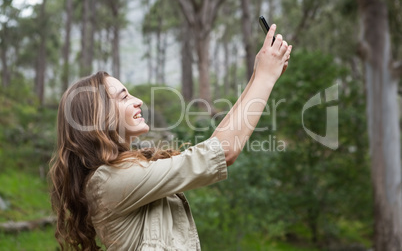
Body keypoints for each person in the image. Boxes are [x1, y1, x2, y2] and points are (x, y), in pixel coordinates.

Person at [49, 24, 292, 250]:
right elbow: (223, 151)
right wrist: (265, 77)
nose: (139, 101)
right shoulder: (108, 181)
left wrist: (260, 73)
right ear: (97, 120)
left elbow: (214, 147)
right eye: (124, 97)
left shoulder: (122, 172)